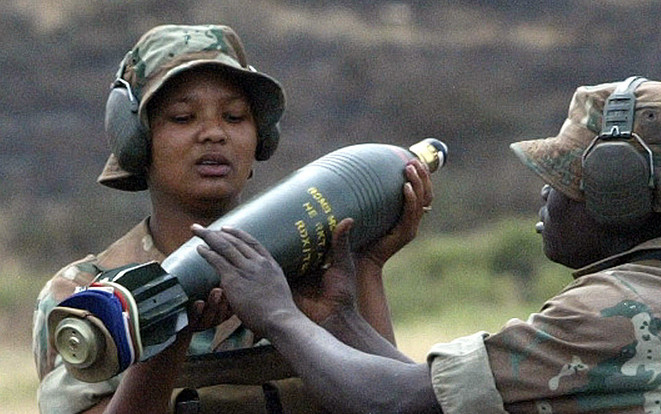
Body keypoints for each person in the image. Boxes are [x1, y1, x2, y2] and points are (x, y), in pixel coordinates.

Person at [193, 78, 661, 413]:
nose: (546, 194)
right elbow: (439, 398)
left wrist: (277, 315)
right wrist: (339, 318)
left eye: (562, 177)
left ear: (617, 191)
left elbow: (393, 404)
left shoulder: (618, 313)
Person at [32, 24, 433, 414]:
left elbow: (394, 400)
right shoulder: (90, 296)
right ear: (136, 141)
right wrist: (163, 330)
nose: (213, 134)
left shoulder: (316, 274)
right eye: (182, 118)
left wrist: (366, 268)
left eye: (235, 117)